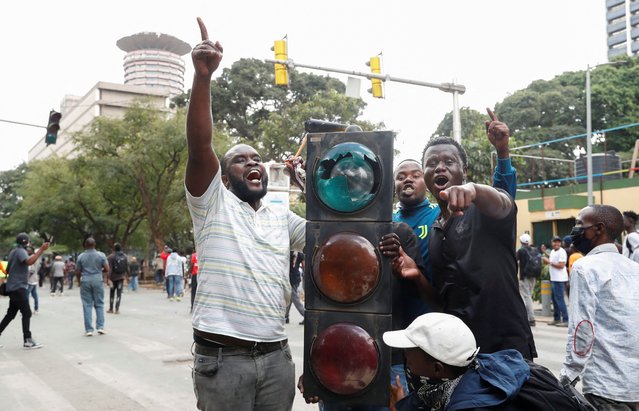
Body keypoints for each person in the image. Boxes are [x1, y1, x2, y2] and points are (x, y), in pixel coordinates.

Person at [185, 18, 306, 410]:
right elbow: (200, 146)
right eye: (239, 160)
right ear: (223, 175)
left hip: (277, 359)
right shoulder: (212, 203)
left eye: (256, 158)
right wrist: (203, 79)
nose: (252, 162)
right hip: (223, 363)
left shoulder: (279, 215)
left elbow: (330, 231)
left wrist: (307, 186)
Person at [422, 133, 536, 361]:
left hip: (505, 351)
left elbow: (504, 203)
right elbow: (442, 296)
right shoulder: (435, 229)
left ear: (464, 170)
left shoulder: (484, 210)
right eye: (431, 163)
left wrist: (474, 190)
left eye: (449, 162)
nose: (439, 168)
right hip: (459, 353)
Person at [384, 313, 589, 411]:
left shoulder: (472, 406)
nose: (407, 368)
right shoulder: (479, 369)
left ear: (437, 369)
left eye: (409, 364)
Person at [560, 205, 639, 410]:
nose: (574, 230)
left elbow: (582, 328)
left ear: (598, 228)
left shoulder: (585, 267)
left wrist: (568, 375)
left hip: (606, 386)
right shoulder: (634, 268)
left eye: (579, 224)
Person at [0, 233, 49, 349]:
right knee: (26, 313)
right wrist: (41, 249)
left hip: (13, 287)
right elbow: (29, 261)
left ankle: (26, 339)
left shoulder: (13, 252)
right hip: (18, 288)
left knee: (11, 314)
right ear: (26, 242)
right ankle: (28, 340)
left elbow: (6, 270)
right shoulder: (21, 251)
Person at [75, 237, 109, 336]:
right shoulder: (101, 255)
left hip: (85, 280)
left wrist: (79, 282)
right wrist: (99, 271)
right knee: (99, 304)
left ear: (85, 245)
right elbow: (107, 269)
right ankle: (100, 327)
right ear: (95, 245)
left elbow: (77, 271)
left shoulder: (81, 256)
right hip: (98, 280)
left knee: (87, 305)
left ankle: (89, 329)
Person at [543, 236, 569, 327]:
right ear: (551, 243)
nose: (556, 244)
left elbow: (561, 265)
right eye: (554, 242)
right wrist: (545, 254)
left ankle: (566, 319)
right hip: (554, 279)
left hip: (560, 279)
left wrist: (549, 262)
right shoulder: (554, 251)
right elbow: (552, 259)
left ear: (560, 243)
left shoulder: (562, 252)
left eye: (558, 242)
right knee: (554, 299)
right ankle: (557, 318)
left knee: (560, 299)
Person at [516, 233, 538, 327]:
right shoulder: (534, 250)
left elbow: (515, 262)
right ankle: (527, 316)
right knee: (529, 296)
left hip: (525, 277)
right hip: (534, 276)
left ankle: (531, 319)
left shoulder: (521, 251)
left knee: (527, 297)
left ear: (521, 242)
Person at [107, 243, 128, 314]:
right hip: (121, 278)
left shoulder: (111, 257)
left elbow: (110, 269)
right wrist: (126, 277)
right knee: (119, 293)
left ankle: (111, 308)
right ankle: (117, 309)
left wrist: (108, 278)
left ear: (114, 248)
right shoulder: (125, 256)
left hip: (113, 278)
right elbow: (126, 267)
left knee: (112, 293)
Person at [285, 251, 305, 325]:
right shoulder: (299, 252)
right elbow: (303, 264)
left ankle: (305, 315)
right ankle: (286, 316)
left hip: (291, 278)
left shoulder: (290, 250)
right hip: (295, 277)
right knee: (289, 298)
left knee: (294, 298)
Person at [26, 247, 39, 314]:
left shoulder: (31, 258)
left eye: (28, 250)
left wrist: (27, 278)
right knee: (35, 295)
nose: (26, 251)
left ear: (31, 251)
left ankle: (27, 310)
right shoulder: (36, 258)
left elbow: (32, 270)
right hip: (35, 279)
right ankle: (36, 309)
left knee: (26, 295)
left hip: (30, 280)